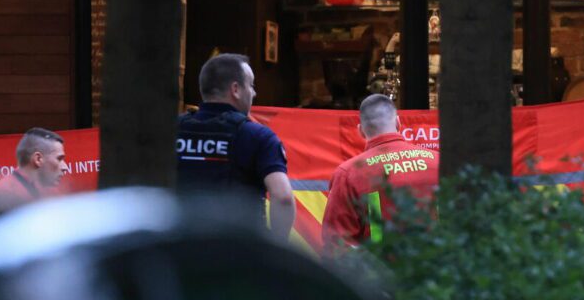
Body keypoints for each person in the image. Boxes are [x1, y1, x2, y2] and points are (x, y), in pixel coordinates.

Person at [175, 53, 295, 241]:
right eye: (251, 85)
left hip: (178, 248)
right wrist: (274, 250)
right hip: (238, 253)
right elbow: (283, 198)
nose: (254, 93)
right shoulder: (258, 136)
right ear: (236, 89)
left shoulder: (170, 130)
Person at [322, 94, 439, 253]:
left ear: (361, 131)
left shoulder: (348, 174)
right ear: (398, 123)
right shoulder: (437, 161)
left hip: (381, 273)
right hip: (439, 271)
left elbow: (336, 247)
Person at [0, 127, 68, 209]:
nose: (65, 167)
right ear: (38, 159)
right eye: (59, 159)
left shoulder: (47, 191)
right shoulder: (1, 195)